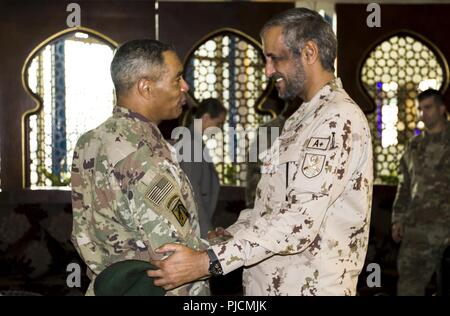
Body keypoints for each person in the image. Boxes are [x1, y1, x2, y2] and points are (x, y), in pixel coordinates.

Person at [148, 8, 373, 295]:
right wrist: (230, 235)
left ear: (309, 52)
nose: (267, 70)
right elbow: (272, 207)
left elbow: (298, 221)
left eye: (274, 58)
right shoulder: (301, 119)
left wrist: (207, 262)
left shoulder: (336, 118)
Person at [70, 39, 209, 296]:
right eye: (177, 79)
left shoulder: (90, 140)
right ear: (146, 87)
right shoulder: (146, 155)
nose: (185, 87)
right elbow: (175, 256)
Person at [391, 88, 450, 296]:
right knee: (408, 287)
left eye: (428, 108)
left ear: (442, 109)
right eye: (420, 109)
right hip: (418, 230)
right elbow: (404, 185)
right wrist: (398, 219)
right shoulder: (414, 146)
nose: (423, 113)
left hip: (447, 228)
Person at [178, 98, 227, 238]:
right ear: (205, 118)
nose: (220, 129)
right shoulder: (191, 144)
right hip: (197, 227)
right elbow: (192, 192)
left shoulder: (195, 142)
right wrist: (207, 230)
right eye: (218, 123)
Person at [245, 98, 300, 208]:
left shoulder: (310, 128)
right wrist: (253, 204)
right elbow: (256, 172)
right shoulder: (268, 131)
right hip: (269, 205)